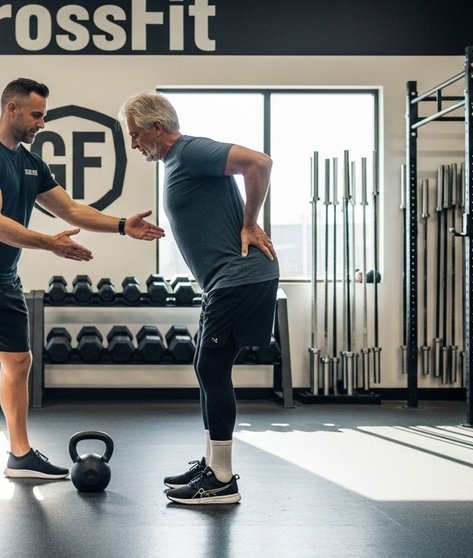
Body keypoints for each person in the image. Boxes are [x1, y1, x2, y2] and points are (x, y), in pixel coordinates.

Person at [0, 78, 165, 494]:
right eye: (36, 115)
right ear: (11, 110)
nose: (42, 123)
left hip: (4, 275)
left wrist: (121, 226)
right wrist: (49, 244)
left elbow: (71, 209)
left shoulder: (29, 162)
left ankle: (20, 455)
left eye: (42, 114)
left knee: (19, 361)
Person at [119, 91, 279, 505]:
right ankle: (213, 464)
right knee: (207, 366)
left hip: (239, 278)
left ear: (158, 128)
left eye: (136, 135)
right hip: (226, 283)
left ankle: (222, 480)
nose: (134, 144)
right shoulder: (177, 161)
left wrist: (250, 223)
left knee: (210, 366)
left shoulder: (189, 151)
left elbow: (258, 163)